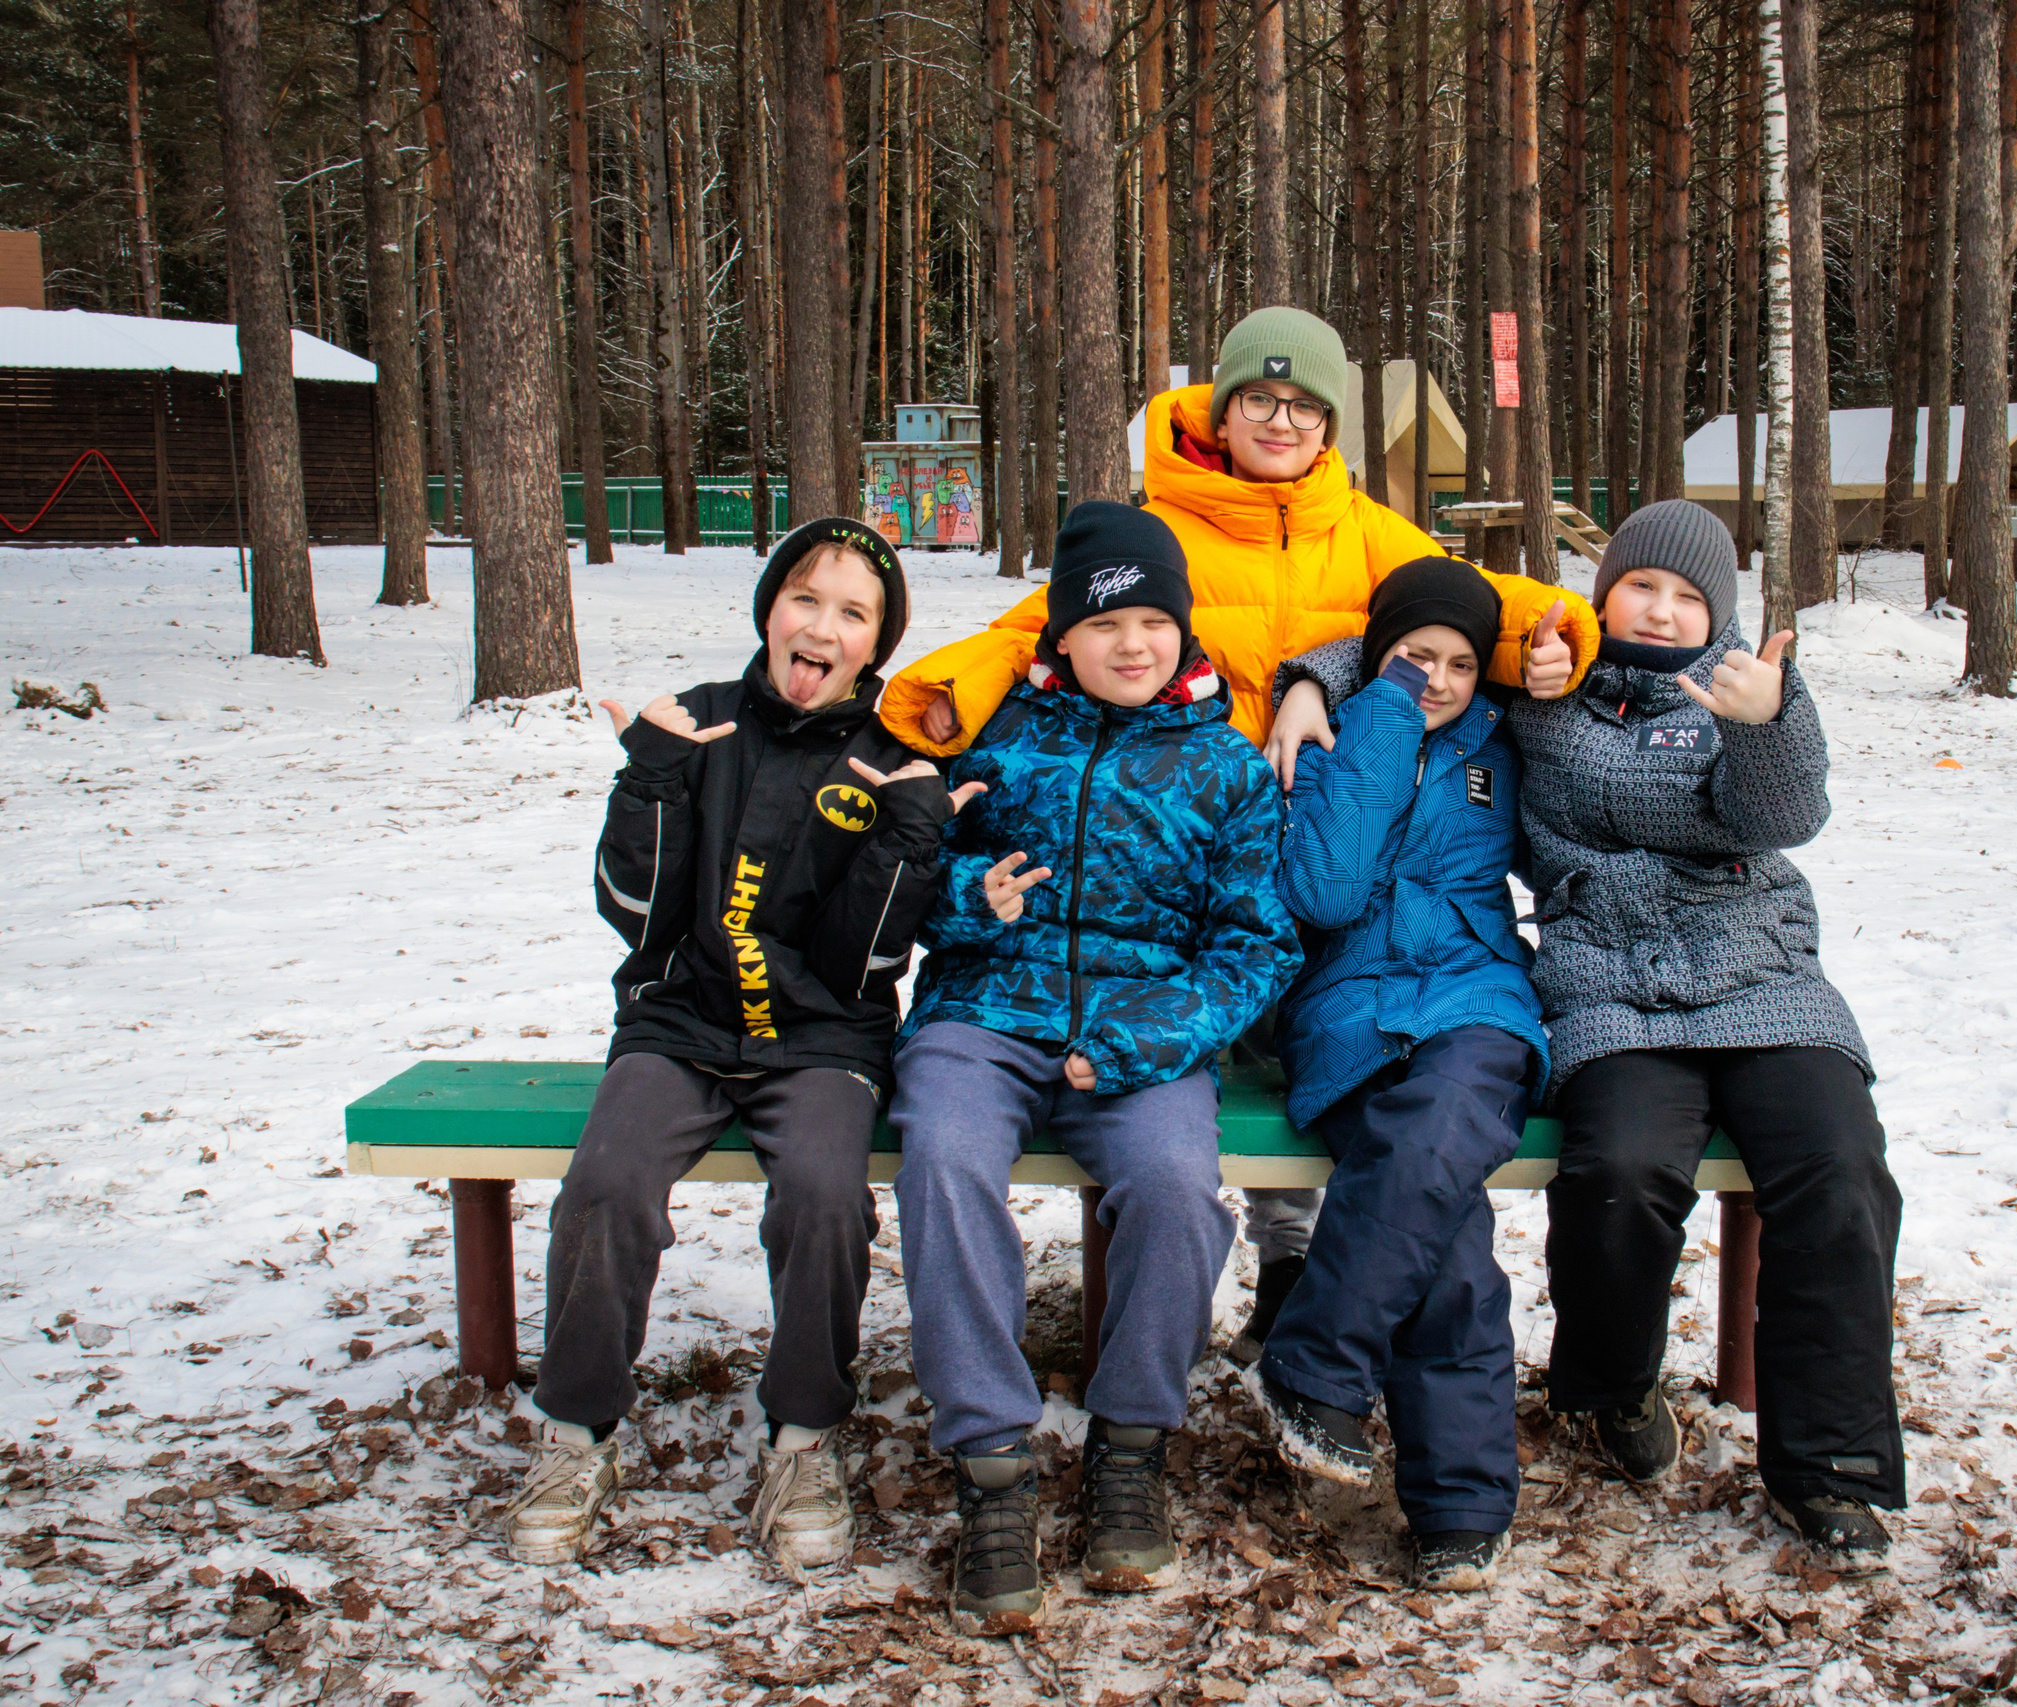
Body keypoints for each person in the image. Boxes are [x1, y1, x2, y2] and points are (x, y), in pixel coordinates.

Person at [878, 307, 1599, 1357]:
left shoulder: (1359, 528)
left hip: (1316, 824)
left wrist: (1554, 639)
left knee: (1302, 1000)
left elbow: (1463, 609)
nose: (1280, 421)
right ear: (1219, 408)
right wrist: (951, 688)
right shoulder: (1160, 526)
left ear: (1328, 427)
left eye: (1304, 407)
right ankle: (1267, 1255)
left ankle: (1293, 1252)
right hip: (1178, 832)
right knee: (1230, 1010)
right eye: (1259, 399)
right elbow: (1039, 628)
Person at [1267, 500, 1904, 1575]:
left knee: (1840, 1174)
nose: (1659, 611)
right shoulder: (1539, 684)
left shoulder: (1739, 690)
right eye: (1640, 587)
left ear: (1722, 614)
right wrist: (1315, 677)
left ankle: (1831, 1467)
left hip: (1759, 970)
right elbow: (1426, 635)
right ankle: (1610, 1387)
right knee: (1614, 1172)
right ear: (1598, 594)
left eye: (1688, 596)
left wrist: (1771, 717)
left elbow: (1780, 815)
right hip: (1605, 978)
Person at [507, 519, 961, 1572]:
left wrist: (908, 842)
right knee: (608, 1184)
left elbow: (862, 968)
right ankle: (576, 1429)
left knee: (821, 1194)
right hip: (679, 1020)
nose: (823, 626)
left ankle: (802, 1434)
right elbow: (635, 914)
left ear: (876, 643)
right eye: (806, 597)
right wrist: (652, 782)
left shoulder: (890, 759)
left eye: (855, 613)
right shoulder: (698, 724)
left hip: (821, 1040)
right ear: (769, 609)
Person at [888, 502, 1301, 1632]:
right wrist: (971, 899)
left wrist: (1142, 1039)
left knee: (1174, 1188)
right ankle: (991, 1468)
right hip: (986, 1011)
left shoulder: (1224, 768)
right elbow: (900, 882)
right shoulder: (994, 741)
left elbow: (1255, 943)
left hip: (1143, 1029)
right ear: (1061, 636)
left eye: (1155, 621)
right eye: (1106, 621)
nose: (1133, 643)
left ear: (1184, 633)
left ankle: (1130, 1446)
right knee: (943, 1160)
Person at [1243, 561, 1549, 1593]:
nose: (1441, 677)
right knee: (1448, 1236)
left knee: (1428, 1145)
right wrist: (1378, 713)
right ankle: (1460, 1502)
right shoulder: (1327, 737)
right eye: (1416, 656)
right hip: (1350, 1008)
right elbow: (1322, 891)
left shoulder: (1505, 746)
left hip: (1476, 998)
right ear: (1378, 656)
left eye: (1462, 662)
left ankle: (1314, 1362)